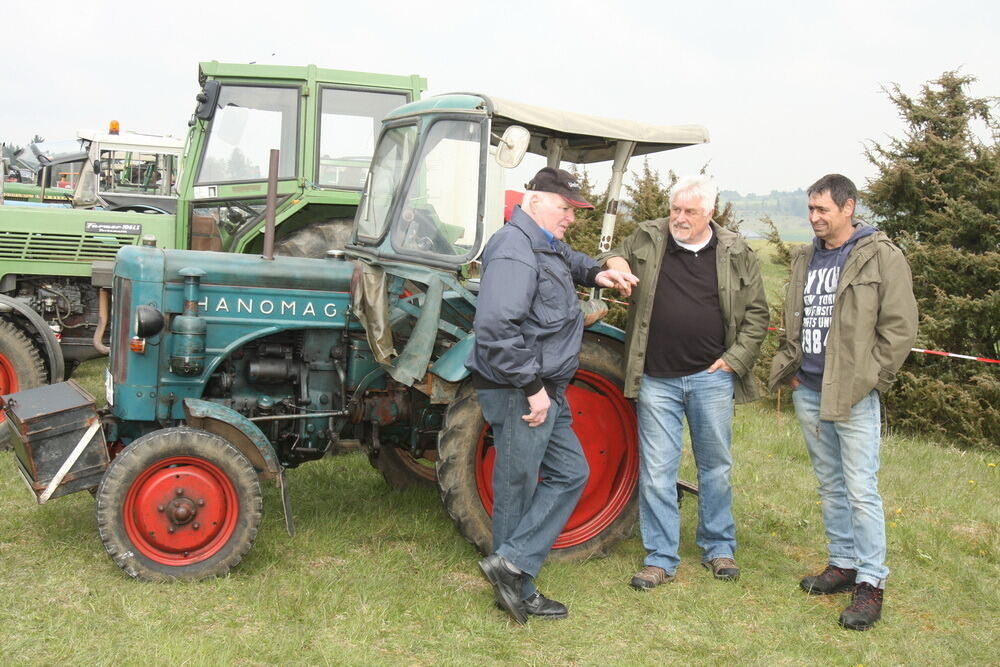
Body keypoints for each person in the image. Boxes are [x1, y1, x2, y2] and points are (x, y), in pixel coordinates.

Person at [467, 167, 638, 623]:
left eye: (574, 210)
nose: (570, 218)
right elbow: (496, 329)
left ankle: (511, 562)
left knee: (570, 473)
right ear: (535, 200)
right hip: (521, 389)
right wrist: (532, 390)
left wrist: (599, 273)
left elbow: (569, 260)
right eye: (564, 207)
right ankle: (517, 588)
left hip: (546, 388)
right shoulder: (514, 249)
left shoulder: (542, 241)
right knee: (516, 487)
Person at [598, 174, 769, 589]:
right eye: (675, 209)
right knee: (657, 472)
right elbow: (614, 256)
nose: (679, 218)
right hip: (656, 378)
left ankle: (718, 547)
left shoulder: (735, 251)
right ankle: (660, 557)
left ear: (710, 212)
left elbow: (757, 314)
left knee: (715, 468)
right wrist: (617, 266)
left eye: (689, 211)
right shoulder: (649, 235)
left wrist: (734, 360)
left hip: (711, 378)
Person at [769, 174, 917, 631]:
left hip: (853, 394)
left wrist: (873, 380)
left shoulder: (881, 255)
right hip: (809, 390)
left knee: (860, 489)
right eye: (810, 209)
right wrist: (791, 368)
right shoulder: (804, 257)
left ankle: (871, 582)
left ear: (848, 207)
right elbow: (795, 317)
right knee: (831, 484)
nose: (813, 218)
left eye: (822, 210)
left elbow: (900, 327)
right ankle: (842, 563)